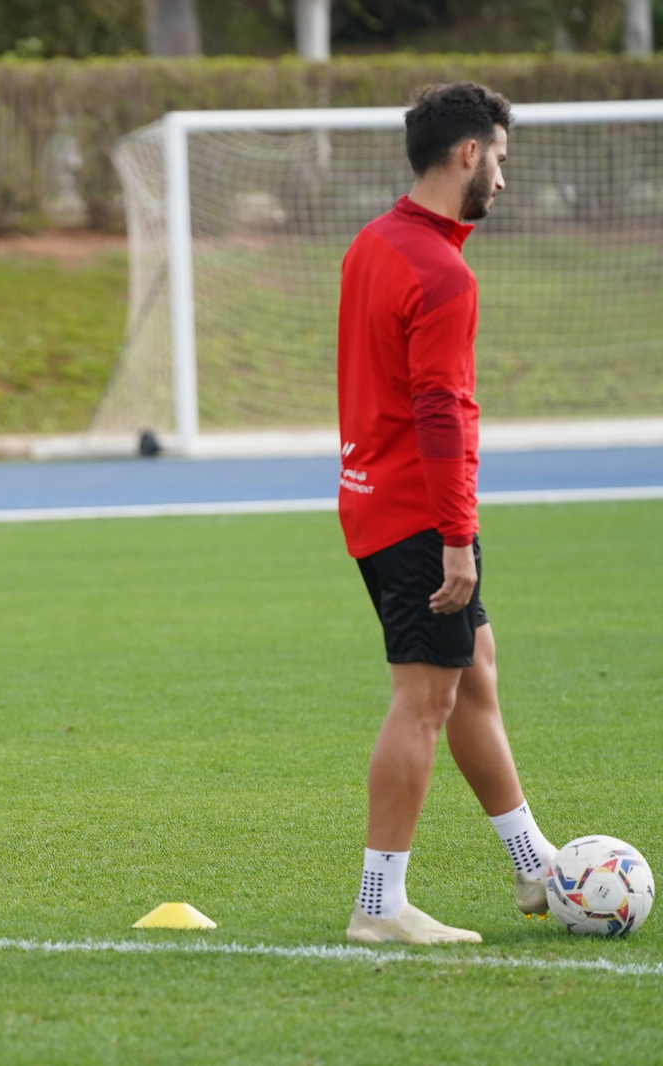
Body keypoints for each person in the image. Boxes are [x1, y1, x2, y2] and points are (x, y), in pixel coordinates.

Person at [338, 82, 556, 943]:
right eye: (499, 159)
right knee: (424, 697)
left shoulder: (374, 242)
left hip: (371, 498)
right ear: (468, 152)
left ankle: (534, 866)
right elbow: (440, 412)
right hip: (418, 511)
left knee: (475, 668)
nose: (501, 178)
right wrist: (458, 538)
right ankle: (379, 904)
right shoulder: (441, 270)